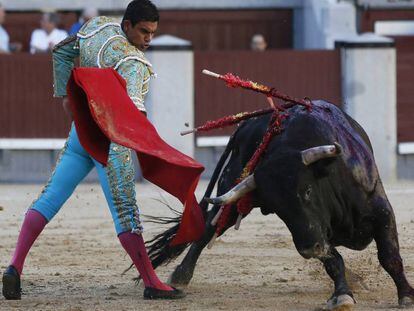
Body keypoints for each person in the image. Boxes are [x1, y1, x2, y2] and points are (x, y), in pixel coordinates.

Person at [2, 0, 185, 301]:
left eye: (153, 33)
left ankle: (14, 266)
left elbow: (61, 51)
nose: (148, 39)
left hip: (81, 133)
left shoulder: (97, 27)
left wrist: (66, 96)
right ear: (128, 26)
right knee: (126, 213)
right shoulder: (134, 63)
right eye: (144, 32)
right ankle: (152, 282)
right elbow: (132, 118)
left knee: (49, 198)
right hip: (111, 143)